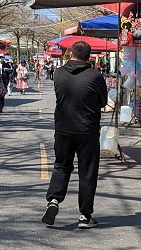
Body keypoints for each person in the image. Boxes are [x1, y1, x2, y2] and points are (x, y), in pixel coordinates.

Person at [41, 39, 109, 229]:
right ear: (89, 57)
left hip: (63, 128)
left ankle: (54, 200)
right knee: (87, 171)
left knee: (62, 165)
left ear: (70, 54)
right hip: (87, 130)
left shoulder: (59, 73)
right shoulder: (95, 76)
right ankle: (85, 215)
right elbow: (103, 102)